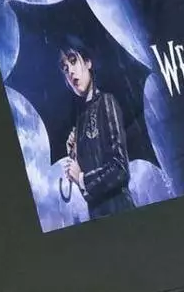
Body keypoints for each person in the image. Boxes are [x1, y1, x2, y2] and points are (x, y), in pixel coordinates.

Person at [58, 38, 136, 220]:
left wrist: (82, 178)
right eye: (65, 68)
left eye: (73, 61)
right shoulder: (79, 121)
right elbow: (89, 190)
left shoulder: (106, 102)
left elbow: (120, 168)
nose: (70, 71)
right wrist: (75, 155)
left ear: (88, 62)